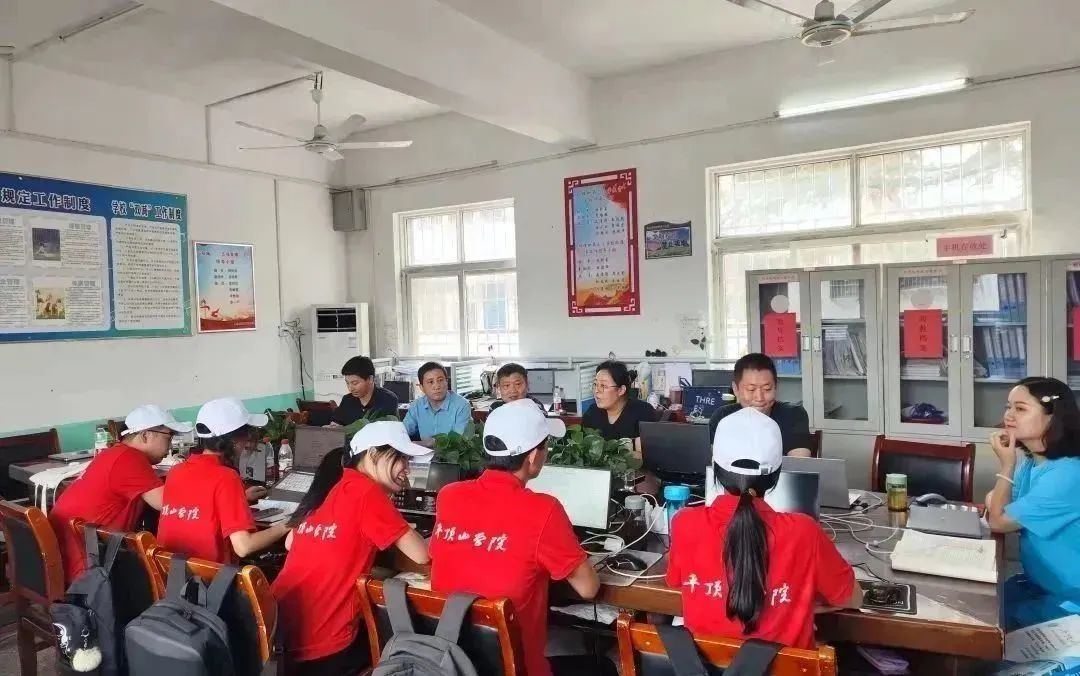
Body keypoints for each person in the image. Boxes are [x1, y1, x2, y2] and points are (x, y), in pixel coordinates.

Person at [430, 399, 600, 676]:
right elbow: (588, 588)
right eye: (545, 445)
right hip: (519, 669)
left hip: (453, 665)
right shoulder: (543, 510)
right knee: (602, 666)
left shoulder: (449, 495)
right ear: (532, 456)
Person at [668, 407, 860, 649]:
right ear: (776, 475)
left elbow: (676, 582)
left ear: (715, 468)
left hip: (703, 665)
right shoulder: (803, 531)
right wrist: (801, 602)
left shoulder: (685, 523)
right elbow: (853, 598)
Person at [272, 421, 431, 675]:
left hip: (279, 632)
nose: (407, 468)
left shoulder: (330, 483)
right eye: (401, 458)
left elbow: (291, 542)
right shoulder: (367, 493)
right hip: (327, 644)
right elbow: (421, 555)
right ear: (373, 454)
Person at [50, 404, 189, 584]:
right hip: (89, 568)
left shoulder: (114, 453)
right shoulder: (129, 459)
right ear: (145, 435)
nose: (170, 446)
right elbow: (166, 504)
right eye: (169, 437)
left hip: (72, 555)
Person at [985, 377, 1080, 630]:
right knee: (978, 604)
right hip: (1037, 586)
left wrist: (1006, 465)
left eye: (1020, 408)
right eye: (1008, 407)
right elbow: (994, 503)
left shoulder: (1067, 474)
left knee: (984, 628)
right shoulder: (1033, 462)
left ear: (1052, 417)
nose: (1008, 415)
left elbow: (998, 520)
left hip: (1069, 602)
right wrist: (1001, 500)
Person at [156, 398, 288, 564]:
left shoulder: (176, 471)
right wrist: (287, 525)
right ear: (234, 440)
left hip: (172, 573)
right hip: (212, 576)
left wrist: (241, 498)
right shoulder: (226, 477)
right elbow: (244, 546)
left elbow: (202, 508)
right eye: (246, 435)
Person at [709, 353, 813, 458]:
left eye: (767, 389)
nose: (759, 398)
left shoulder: (793, 415)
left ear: (776, 387)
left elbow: (799, 464)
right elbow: (714, 462)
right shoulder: (723, 417)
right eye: (751, 389)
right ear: (736, 389)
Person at [581, 360, 658, 440]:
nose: (596, 390)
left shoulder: (643, 411)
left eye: (603, 386)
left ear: (621, 390)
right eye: (595, 384)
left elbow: (651, 445)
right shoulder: (592, 413)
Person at [402, 361, 471, 443]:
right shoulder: (416, 405)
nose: (437, 386)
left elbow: (459, 441)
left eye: (440, 380)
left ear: (447, 382)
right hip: (421, 451)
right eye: (430, 382)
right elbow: (403, 432)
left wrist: (428, 444)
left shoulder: (462, 405)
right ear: (421, 387)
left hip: (451, 451)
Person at [329, 356, 400, 426]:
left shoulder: (388, 399)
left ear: (370, 379)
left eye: (355, 383)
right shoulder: (347, 400)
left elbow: (390, 428)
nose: (350, 388)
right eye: (347, 383)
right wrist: (333, 426)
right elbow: (336, 423)